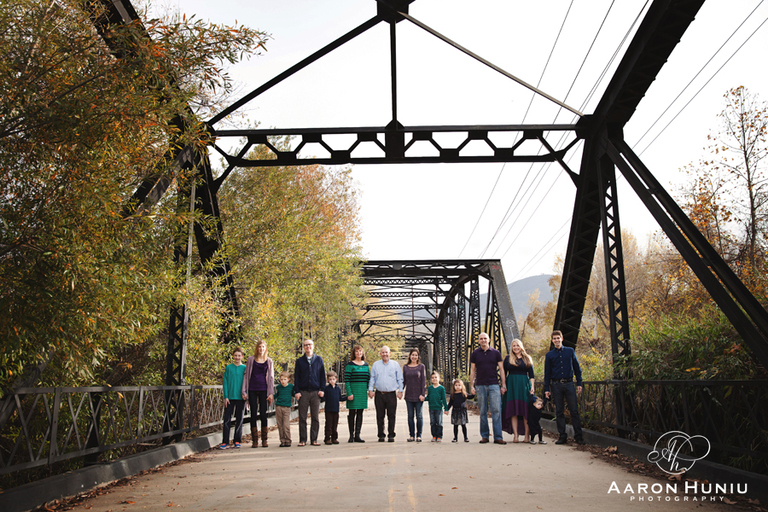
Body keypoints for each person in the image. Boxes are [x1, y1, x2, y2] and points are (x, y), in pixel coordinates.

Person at [544, 330, 584, 445]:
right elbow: (547, 373)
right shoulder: (549, 355)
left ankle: (578, 436)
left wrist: (579, 382)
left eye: (558, 338)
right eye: (554, 338)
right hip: (556, 385)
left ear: (562, 339)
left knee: (574, 411)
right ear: (552, 340)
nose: (556, 340)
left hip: (569, 384)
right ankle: (562, 436)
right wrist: (547, 388)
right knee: (559, 411)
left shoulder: (570, 351)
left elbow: (577, 367)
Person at [469, 332, 507, 445]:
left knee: (496, 410)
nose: (483, 340)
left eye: (485, 338)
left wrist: (503, 385)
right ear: (478, 340)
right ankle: (485, 436)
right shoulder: (475, 353)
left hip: (494, 384)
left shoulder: (496, 353)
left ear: (489, 339)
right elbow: (472, 370)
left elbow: (501, 369)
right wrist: (471, 385)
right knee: (483, 411)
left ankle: (498, 437)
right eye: (481, 339)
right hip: (480, 385)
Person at [242, 340, 274, 448]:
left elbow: (271, 378)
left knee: (263, 414)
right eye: (259, 347)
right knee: (253, 414)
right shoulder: (251, 359)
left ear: (265, 348)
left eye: (263, 347)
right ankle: (254, 440)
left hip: (263, 389)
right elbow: (246, 375)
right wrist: (244, 390)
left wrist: (270, 393)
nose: (261, 349)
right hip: (252, 388)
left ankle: (264, 439)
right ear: (257, 348)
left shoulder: (269, 361)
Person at [502, 338, 535, 443]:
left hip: (524, 385)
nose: (516, 347)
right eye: (514, 346)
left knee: (525, 410)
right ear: (512, 347)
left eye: (517, 345)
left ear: (521, 347)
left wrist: (532, 387)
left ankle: (526, 436)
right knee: (513, 410)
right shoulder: (508, 358)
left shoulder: (527, 358)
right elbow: (503, 373)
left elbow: (532, 375)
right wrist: (503, 385)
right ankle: (515, 436)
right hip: (511, 385)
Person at [367, 345, 403, 442]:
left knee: (391, 415)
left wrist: (400, 391)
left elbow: (400, 379)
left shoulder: (395, 365)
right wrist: (370, 390)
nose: (385, 354)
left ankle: (391, 434)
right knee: (380, 415)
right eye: (383, 352)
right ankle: (381, 435)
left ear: (390, 353)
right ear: (380, 354)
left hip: (391, 394)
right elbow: (372, 378)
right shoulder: (376, 365)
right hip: (379, 394)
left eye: (386, 352)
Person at [294, 339, 326, 446]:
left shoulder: (319, 360)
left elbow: (322, 376)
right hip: (303, 392)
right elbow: (296, 377)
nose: (308, 347)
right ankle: (303, 439)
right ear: (303, 347)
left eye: (310, 345)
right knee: (302, 417)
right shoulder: (299, 361)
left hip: (315, 392)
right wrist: (297, 391)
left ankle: (314, 439)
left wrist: (322, 389)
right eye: (306, 345)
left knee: (315, 417)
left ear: (313, 346)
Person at [219, 347, 246, 449]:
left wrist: (246, 393)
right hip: (230, 397)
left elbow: (247, 382)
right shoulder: (228, 368)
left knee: (239, 419)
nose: (237, 357)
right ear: (233, 356)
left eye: (239, 355)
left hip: (241, 397)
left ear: (242, 356)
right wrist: (225, 396)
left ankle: (237, 440)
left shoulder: (245, 368)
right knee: (227, 419)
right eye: (235, 355)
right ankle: (225, 441)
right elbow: (225, 382)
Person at [344, 344, 370, 443]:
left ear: (362, 353)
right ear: (354, 353)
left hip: (362, 392)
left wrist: (370, 390)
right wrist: (349, 393)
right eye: (356, 351)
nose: (359, 353)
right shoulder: (350, 365)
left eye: (360, 351)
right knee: (351, 413)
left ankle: (357, 435)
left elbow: (368, 379)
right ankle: (351, 435)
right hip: (353, 392)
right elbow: (347, 380)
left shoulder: (366, 365)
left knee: (360, 413)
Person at [402, 348, 426, 442]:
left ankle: (419, 435)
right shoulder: (405, 367)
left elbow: (423, 382)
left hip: (418, 395)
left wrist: (422, 394)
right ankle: (411, 435)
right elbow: (404, 381)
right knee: (410, 416)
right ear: (410, 356)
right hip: (409, 395)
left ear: (418, 356)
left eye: (416, 355)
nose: (414, 357)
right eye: (412, 355)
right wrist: (400, 391)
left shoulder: (421, 367)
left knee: (419, 416)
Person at [445, 378, 474, 443]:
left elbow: (471, 397)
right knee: (455, 425)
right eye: (456, 385)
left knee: (463, 425)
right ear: (454, 386)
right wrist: (447, 409)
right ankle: (455, 437)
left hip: (462, 411)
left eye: (459, 385)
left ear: (462, 386)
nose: (457, 387)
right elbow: (450, 403)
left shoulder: (464, 394)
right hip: (455, 411)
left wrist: (473, 394)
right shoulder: (453, 395)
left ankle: (465, 437)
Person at [322, 370, 346, 445]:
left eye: (333, 379)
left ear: (336, 379)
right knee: (329, 424)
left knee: (335, 424)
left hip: (336, 409)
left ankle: (334, 438)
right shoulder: (326, 389)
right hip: (328, 409)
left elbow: (340, 398)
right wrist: (321, 396)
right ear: (328, 380)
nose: (332, 381)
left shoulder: (338, 389)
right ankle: (327, 438)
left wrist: (347, 398)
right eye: (330, 379)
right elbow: (323, 398)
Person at [273, 371, 295, 447]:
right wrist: (272, 397)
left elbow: (293, 394)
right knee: (280, 424)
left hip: (287, 407)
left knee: (286, 424)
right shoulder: (279, 387)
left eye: (285, 379)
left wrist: (297, 395)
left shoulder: (291, 387)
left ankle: (288, 440)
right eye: (281, 379)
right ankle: (282, 440)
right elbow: (277, 395)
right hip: (279, 406)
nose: (283, 381)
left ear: (288, 379)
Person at [426, 371, 447, 442]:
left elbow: (444, 399)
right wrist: (423, 399)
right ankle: (434, 435)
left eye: (436, 377)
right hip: (431, 408)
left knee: (439, 422)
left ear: (439, 378)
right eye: (432, 378)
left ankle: (439, 436)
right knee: (432, 422)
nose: (434, 379)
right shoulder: (430, 388)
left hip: (438, 408)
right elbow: (428, 397)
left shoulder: (441, 388)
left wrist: (446, 408)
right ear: (431, 379)